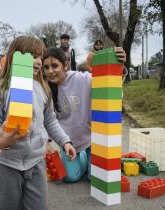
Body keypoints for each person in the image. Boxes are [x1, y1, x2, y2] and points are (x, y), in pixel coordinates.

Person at [0, 35, 76, 210]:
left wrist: (65, 141)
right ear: (16, 56)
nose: (39, 62)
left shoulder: (43, 89)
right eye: (33, 56)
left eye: (40, 56)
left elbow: (50, 120)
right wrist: (0, 141)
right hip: (5, 164)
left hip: (35, 162)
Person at [43, 47, 126, 182]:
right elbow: (47, 120)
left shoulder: (82, 78)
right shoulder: (46, 89)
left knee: (96, 178)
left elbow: (109, 86)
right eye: (46, 67)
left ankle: (89, 159)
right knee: (69, 178)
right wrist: (46, 141)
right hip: (69, 143)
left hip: (92, 140)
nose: (50, 71)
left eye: (54, 66)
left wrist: (119, 66)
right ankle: (83, 159)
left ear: (65, 65)